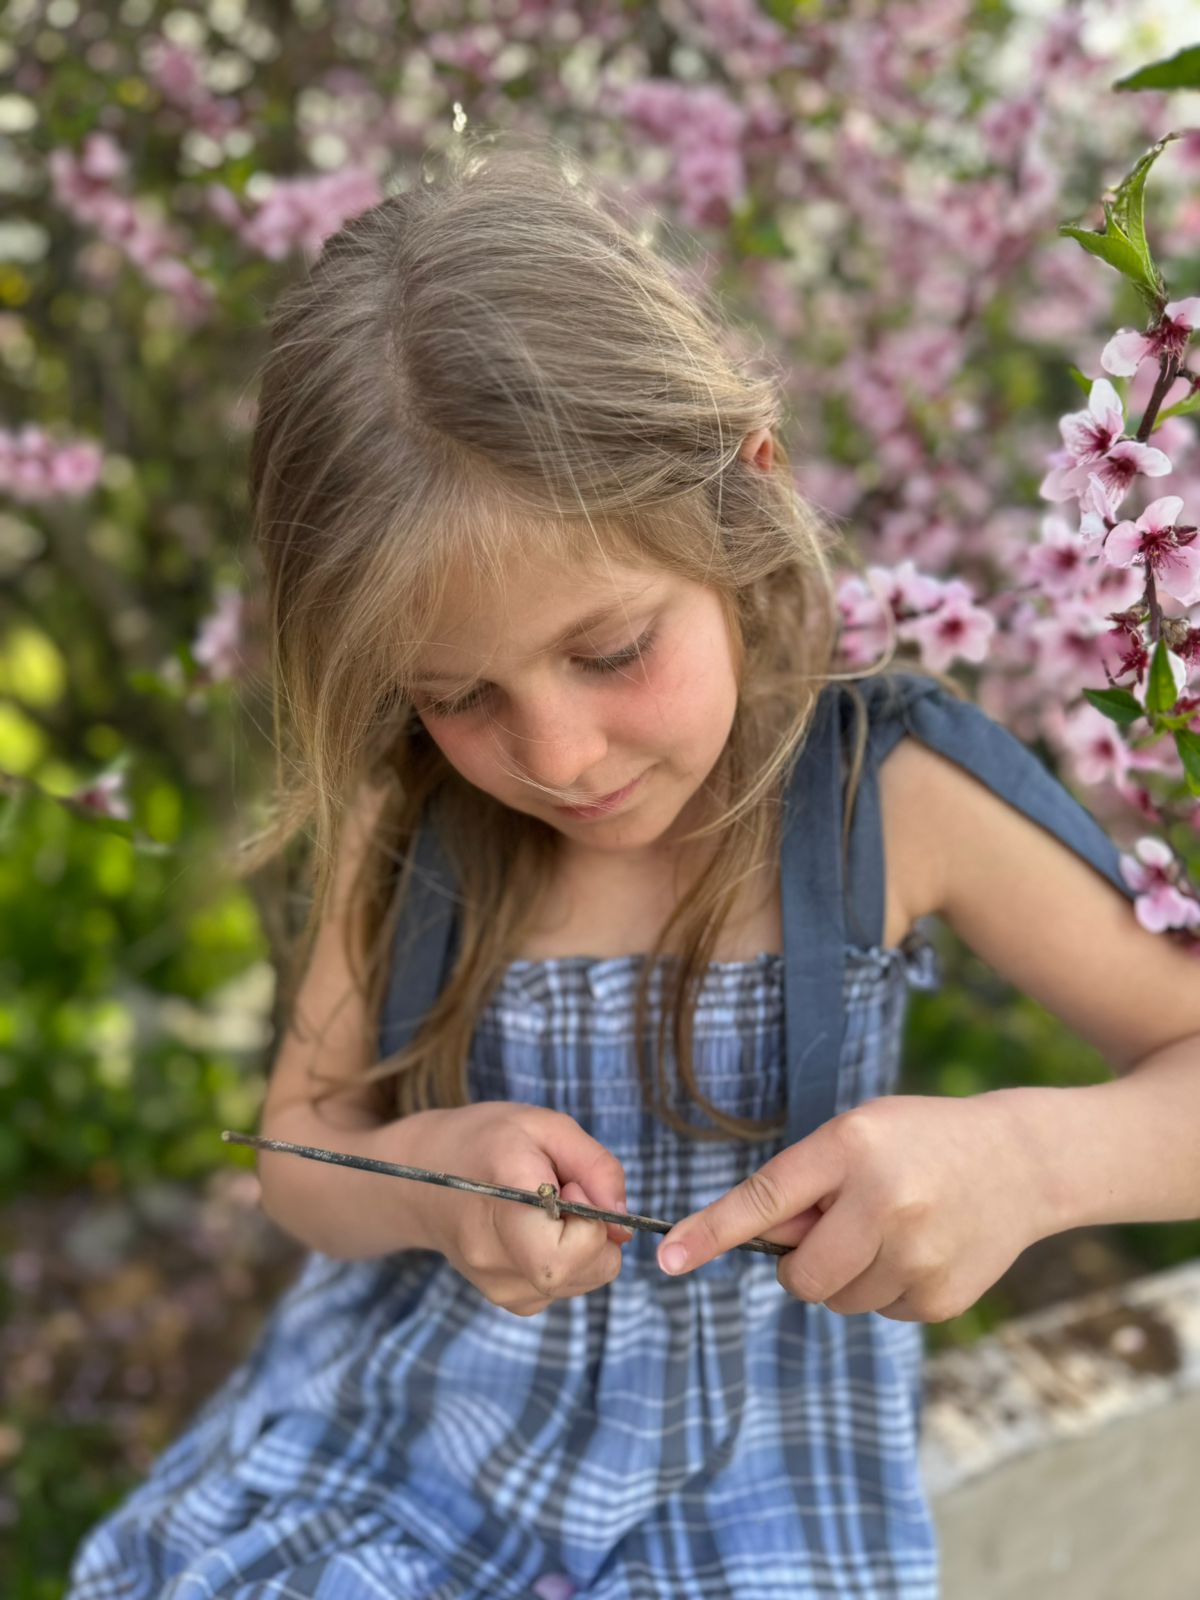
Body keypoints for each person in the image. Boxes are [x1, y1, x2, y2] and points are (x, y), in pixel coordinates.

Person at [65, 130, 1200, 1600]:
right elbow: (298, 1146)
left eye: (610, 652)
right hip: (407, 1464)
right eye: (456, 695)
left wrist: (1028, 1162)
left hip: (756, 1491)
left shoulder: (884, 793)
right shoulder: (410, 814)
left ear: (742, 496)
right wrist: (429, 1178)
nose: (559, 756)